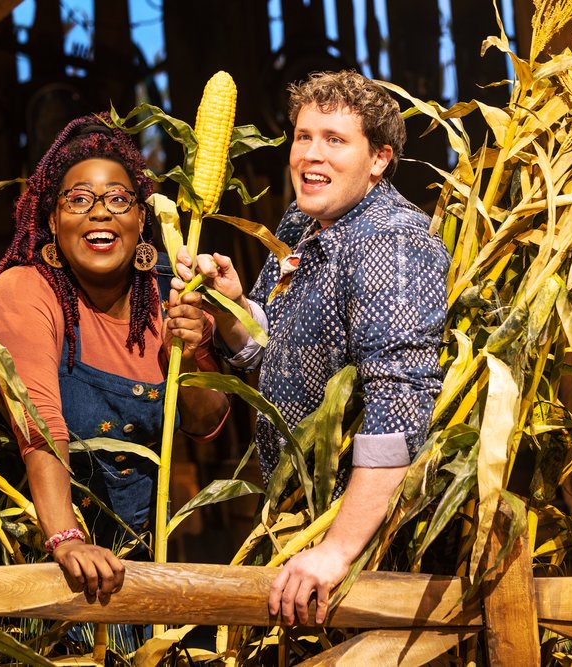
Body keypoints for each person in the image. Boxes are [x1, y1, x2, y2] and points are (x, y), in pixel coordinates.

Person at [173, 70, 449, 625]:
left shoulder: (391, 240)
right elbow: (269, 351)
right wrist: (230, 309)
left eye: (335, 139)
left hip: (364, 544)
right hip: (299, 518)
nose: (310, 154)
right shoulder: (303, 221)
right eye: (304, 136)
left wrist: (338, 549)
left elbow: (401, 405)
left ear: (379, 159)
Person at [0, 114, 230, 602]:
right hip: (36, 567)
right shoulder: (25, 290)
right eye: (79, 199)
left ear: (141, 220)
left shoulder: (168, 293)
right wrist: (65, 537)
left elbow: (205, 423)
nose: (100, 213)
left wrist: (195, 350)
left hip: (132, 569)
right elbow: (39, 420)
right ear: (52, 220)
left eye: (118, 199)